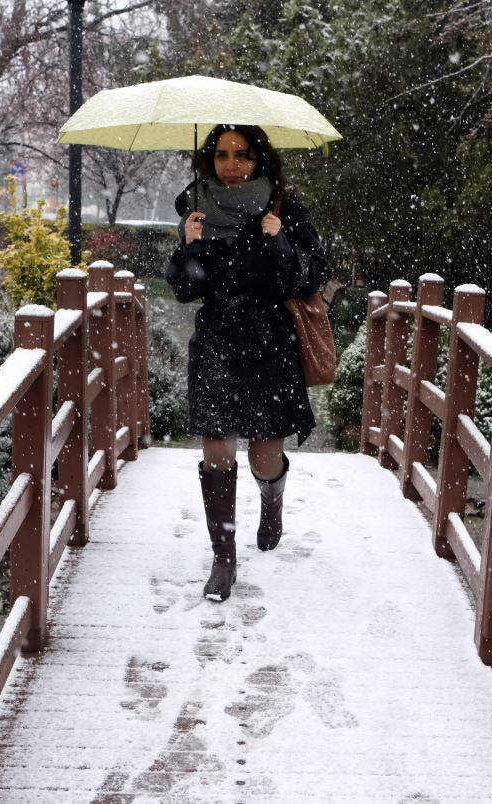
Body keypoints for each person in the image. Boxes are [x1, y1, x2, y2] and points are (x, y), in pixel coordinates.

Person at [165, 123, 330, 603]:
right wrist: (188, 248)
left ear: (261, 160)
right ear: (209, 159)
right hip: (216, 338)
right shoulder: (193, 208)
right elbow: (185, 289)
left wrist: (280, 243)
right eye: (221, 155)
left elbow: (312, 274)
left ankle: (271, 500)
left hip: (268, 341)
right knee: (216, 448)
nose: (231, 165)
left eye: (242, 155)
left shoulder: (284, 207)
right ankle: (223, 559)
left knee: (263, 455)